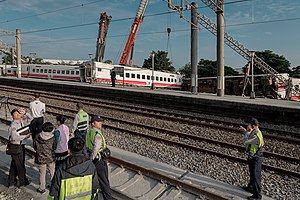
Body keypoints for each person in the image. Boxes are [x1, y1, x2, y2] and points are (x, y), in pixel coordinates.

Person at [86, 115, 112, 200]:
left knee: (94, 180)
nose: (101, 123)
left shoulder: (89, 131)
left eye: (101, 121)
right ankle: (108, 198)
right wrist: (92, 158)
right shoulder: (97, 134)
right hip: (99, 161)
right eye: (98, 121)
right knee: (104, 182)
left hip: (93, 160)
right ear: (93, 123)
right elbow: (96, 148)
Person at [240, 118, 264, 200]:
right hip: (253, 156)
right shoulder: (254, 132)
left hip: (256, 157)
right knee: (252, 173)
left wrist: (246, 133)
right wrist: (247, 132)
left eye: (249, 124)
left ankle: (257, 196)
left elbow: (245, 141)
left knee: (255, 176)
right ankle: (250, 187)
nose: (247, 126)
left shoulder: (256, 135)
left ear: (253, 126)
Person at [7, 108, 32, 188]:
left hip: (20, 146)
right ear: (12, 115)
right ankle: (23, 182)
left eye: (18, 113)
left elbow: (32, 119)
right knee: (20, 165)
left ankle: (11, 182)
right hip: (16, 146)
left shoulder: (21, 121)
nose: (17, 114)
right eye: (15, 113)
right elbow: (14, 137)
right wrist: (25, 136)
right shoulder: (13, 124)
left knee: (14, 164)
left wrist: (25, 113)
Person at [34, 122, 56, 193]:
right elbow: (54, 147)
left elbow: (35, 147)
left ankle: (41, 188)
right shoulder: (53, 137)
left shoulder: (37, 136)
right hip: (50, 158)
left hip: (40, 158)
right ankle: (53, 186)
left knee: (42, 173)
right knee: (52, 173)